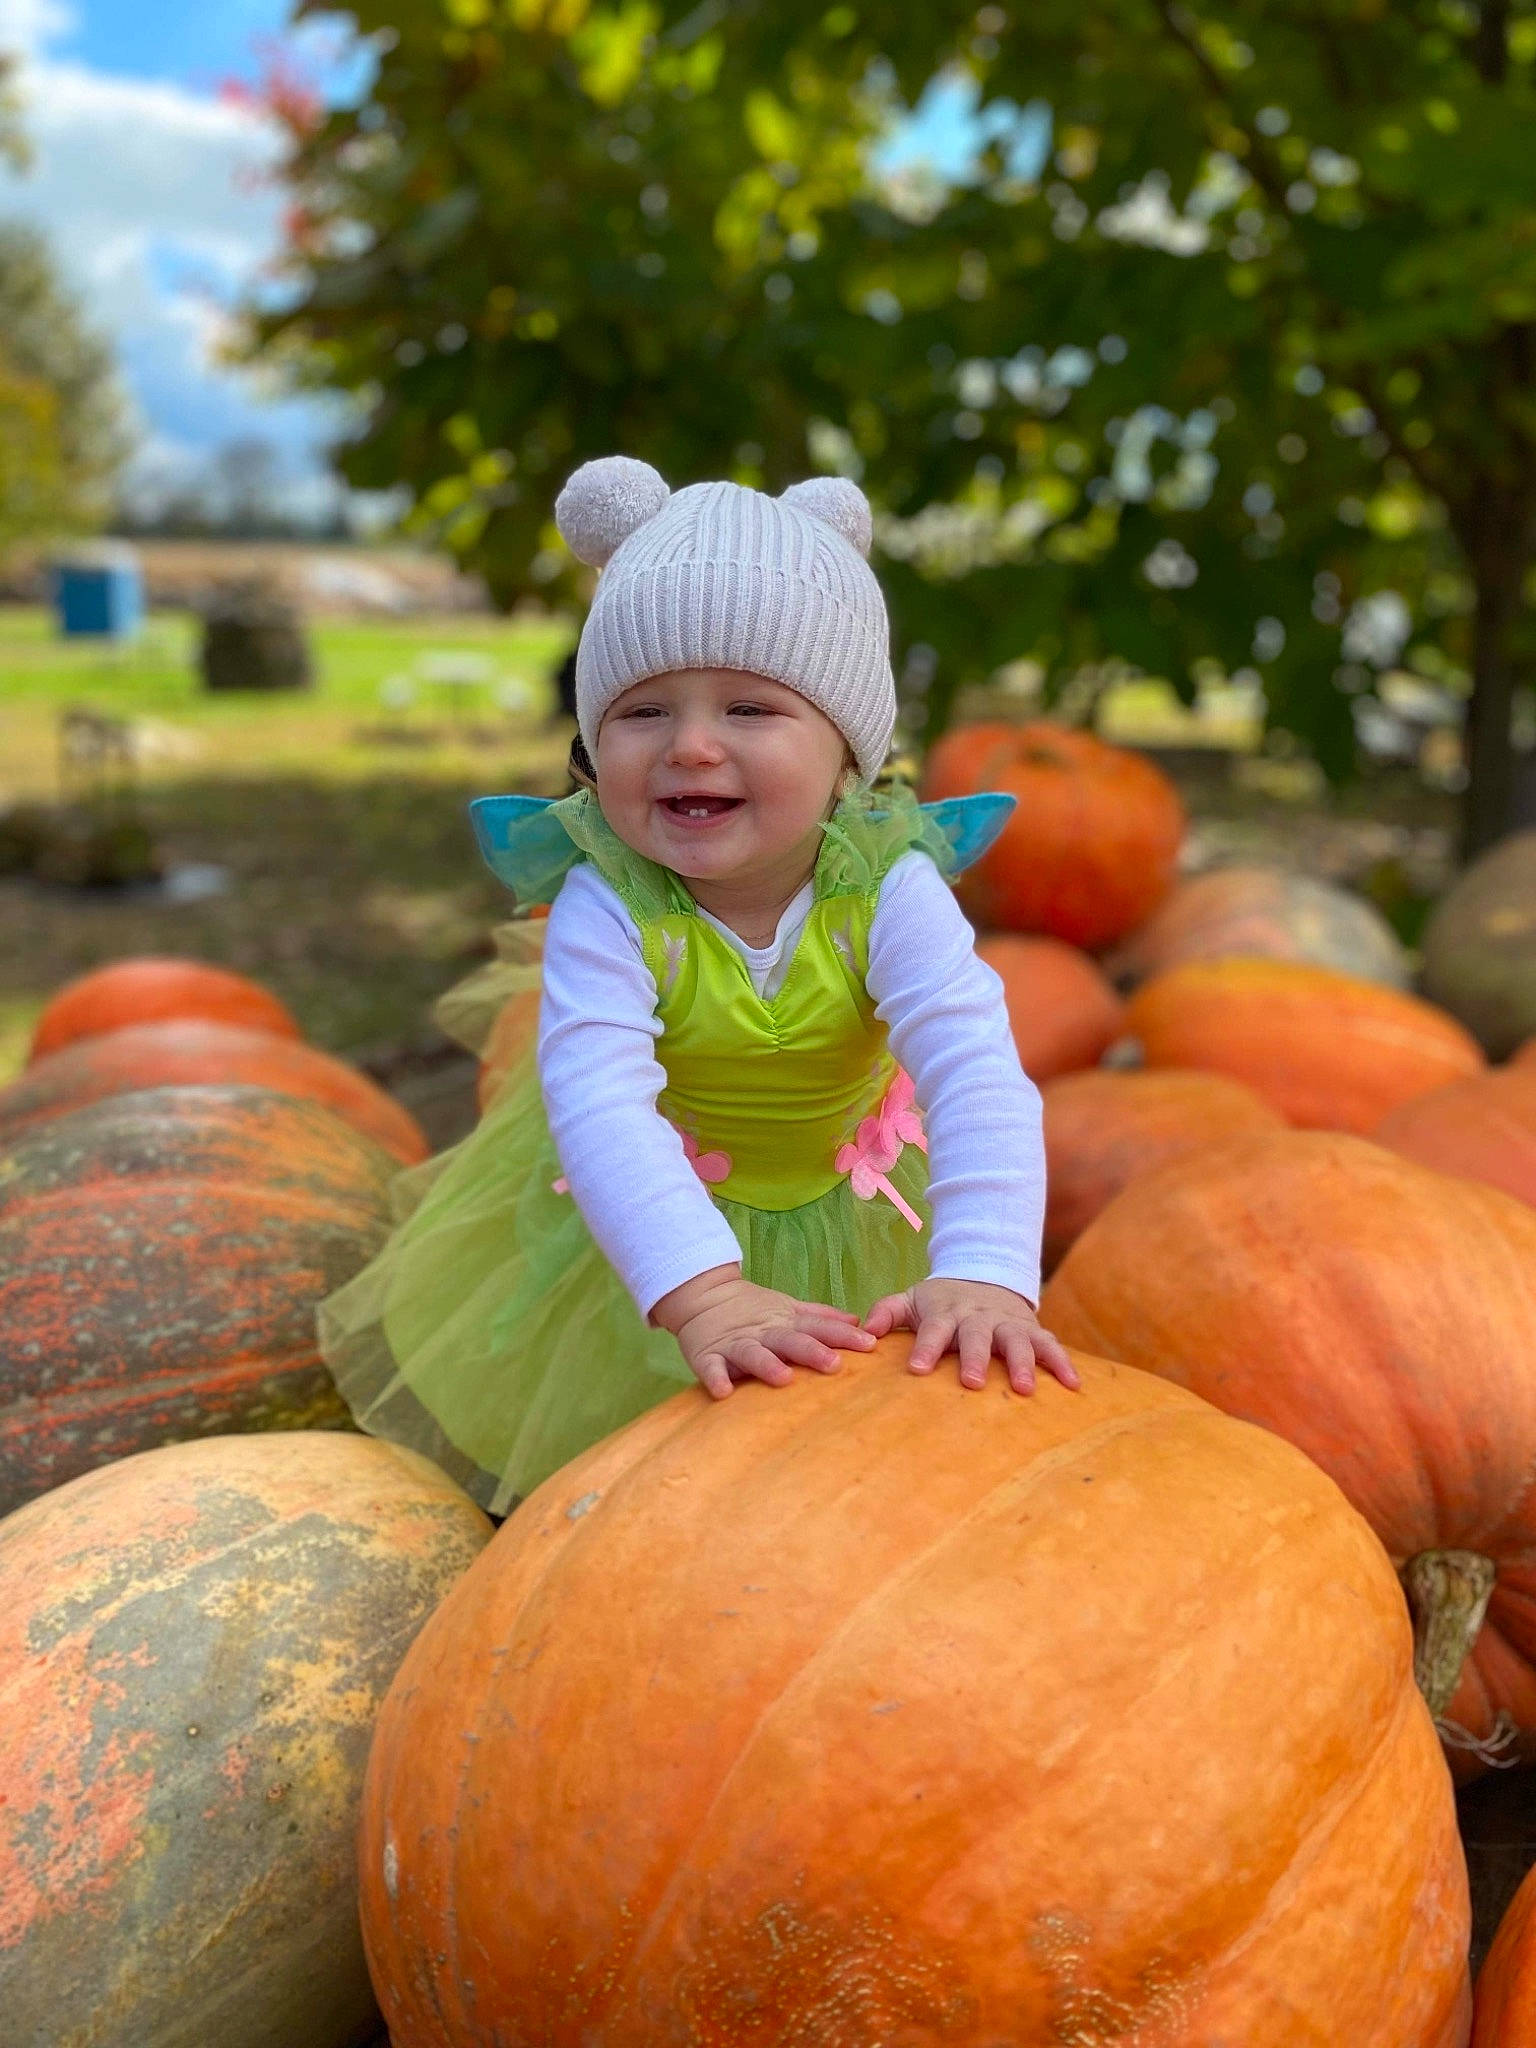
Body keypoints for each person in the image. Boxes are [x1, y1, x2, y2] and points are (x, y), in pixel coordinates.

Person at [319, 457, 1076, 1515]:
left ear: (846, 753)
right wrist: (703, 1291)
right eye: (641, 712)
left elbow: (978, 1069)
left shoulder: (888, 889)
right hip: (644, 1219)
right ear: (592, 743)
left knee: (846, 1479)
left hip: (843, 1209)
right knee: (638, 1482)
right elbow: (598, 1096)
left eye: (752, 706)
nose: (692, 745)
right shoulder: (610, 903)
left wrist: (988, 1266)